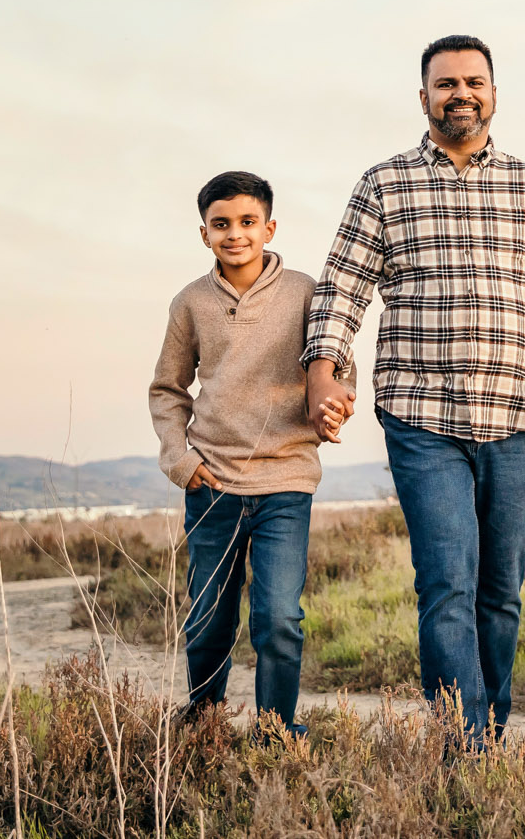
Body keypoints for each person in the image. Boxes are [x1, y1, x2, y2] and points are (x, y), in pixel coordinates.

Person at [302, 35, 525, 742]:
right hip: (420, 415)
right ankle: (464, 746)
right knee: (447, 584)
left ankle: (490, 732)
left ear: (494, 94)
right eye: (445, 84)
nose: (460, 93)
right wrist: (324, 371)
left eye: (474, 81)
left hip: (509, 415)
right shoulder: (384, 184)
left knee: (500, 592)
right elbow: (342, 286)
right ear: (423, 98)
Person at [147, 170, 347, 735]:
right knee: (208, 615)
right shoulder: (189, 303)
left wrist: (333, 405)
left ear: (269, 227)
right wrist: (178, 459)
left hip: (286, 478)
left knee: (278, 617)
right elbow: (168, 389)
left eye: (247, 222)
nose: (235, 234)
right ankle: (204, 724)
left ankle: (277, 731)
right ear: (205, 233)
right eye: (221, 224)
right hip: (211, 483)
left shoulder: (308, 292)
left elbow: (335, 367)